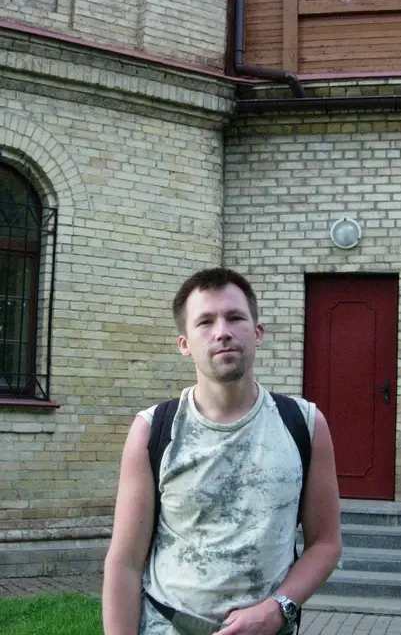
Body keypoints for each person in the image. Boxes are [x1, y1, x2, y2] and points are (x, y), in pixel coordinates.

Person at [102, 267, 341, 635]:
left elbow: (325, 544)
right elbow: (125, 562)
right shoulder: (153, 430)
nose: (222, 331)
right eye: (205, 322)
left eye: (235, 317)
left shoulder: (304, 424)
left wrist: (277, 608)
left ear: (257, 332)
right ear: (184, 344)